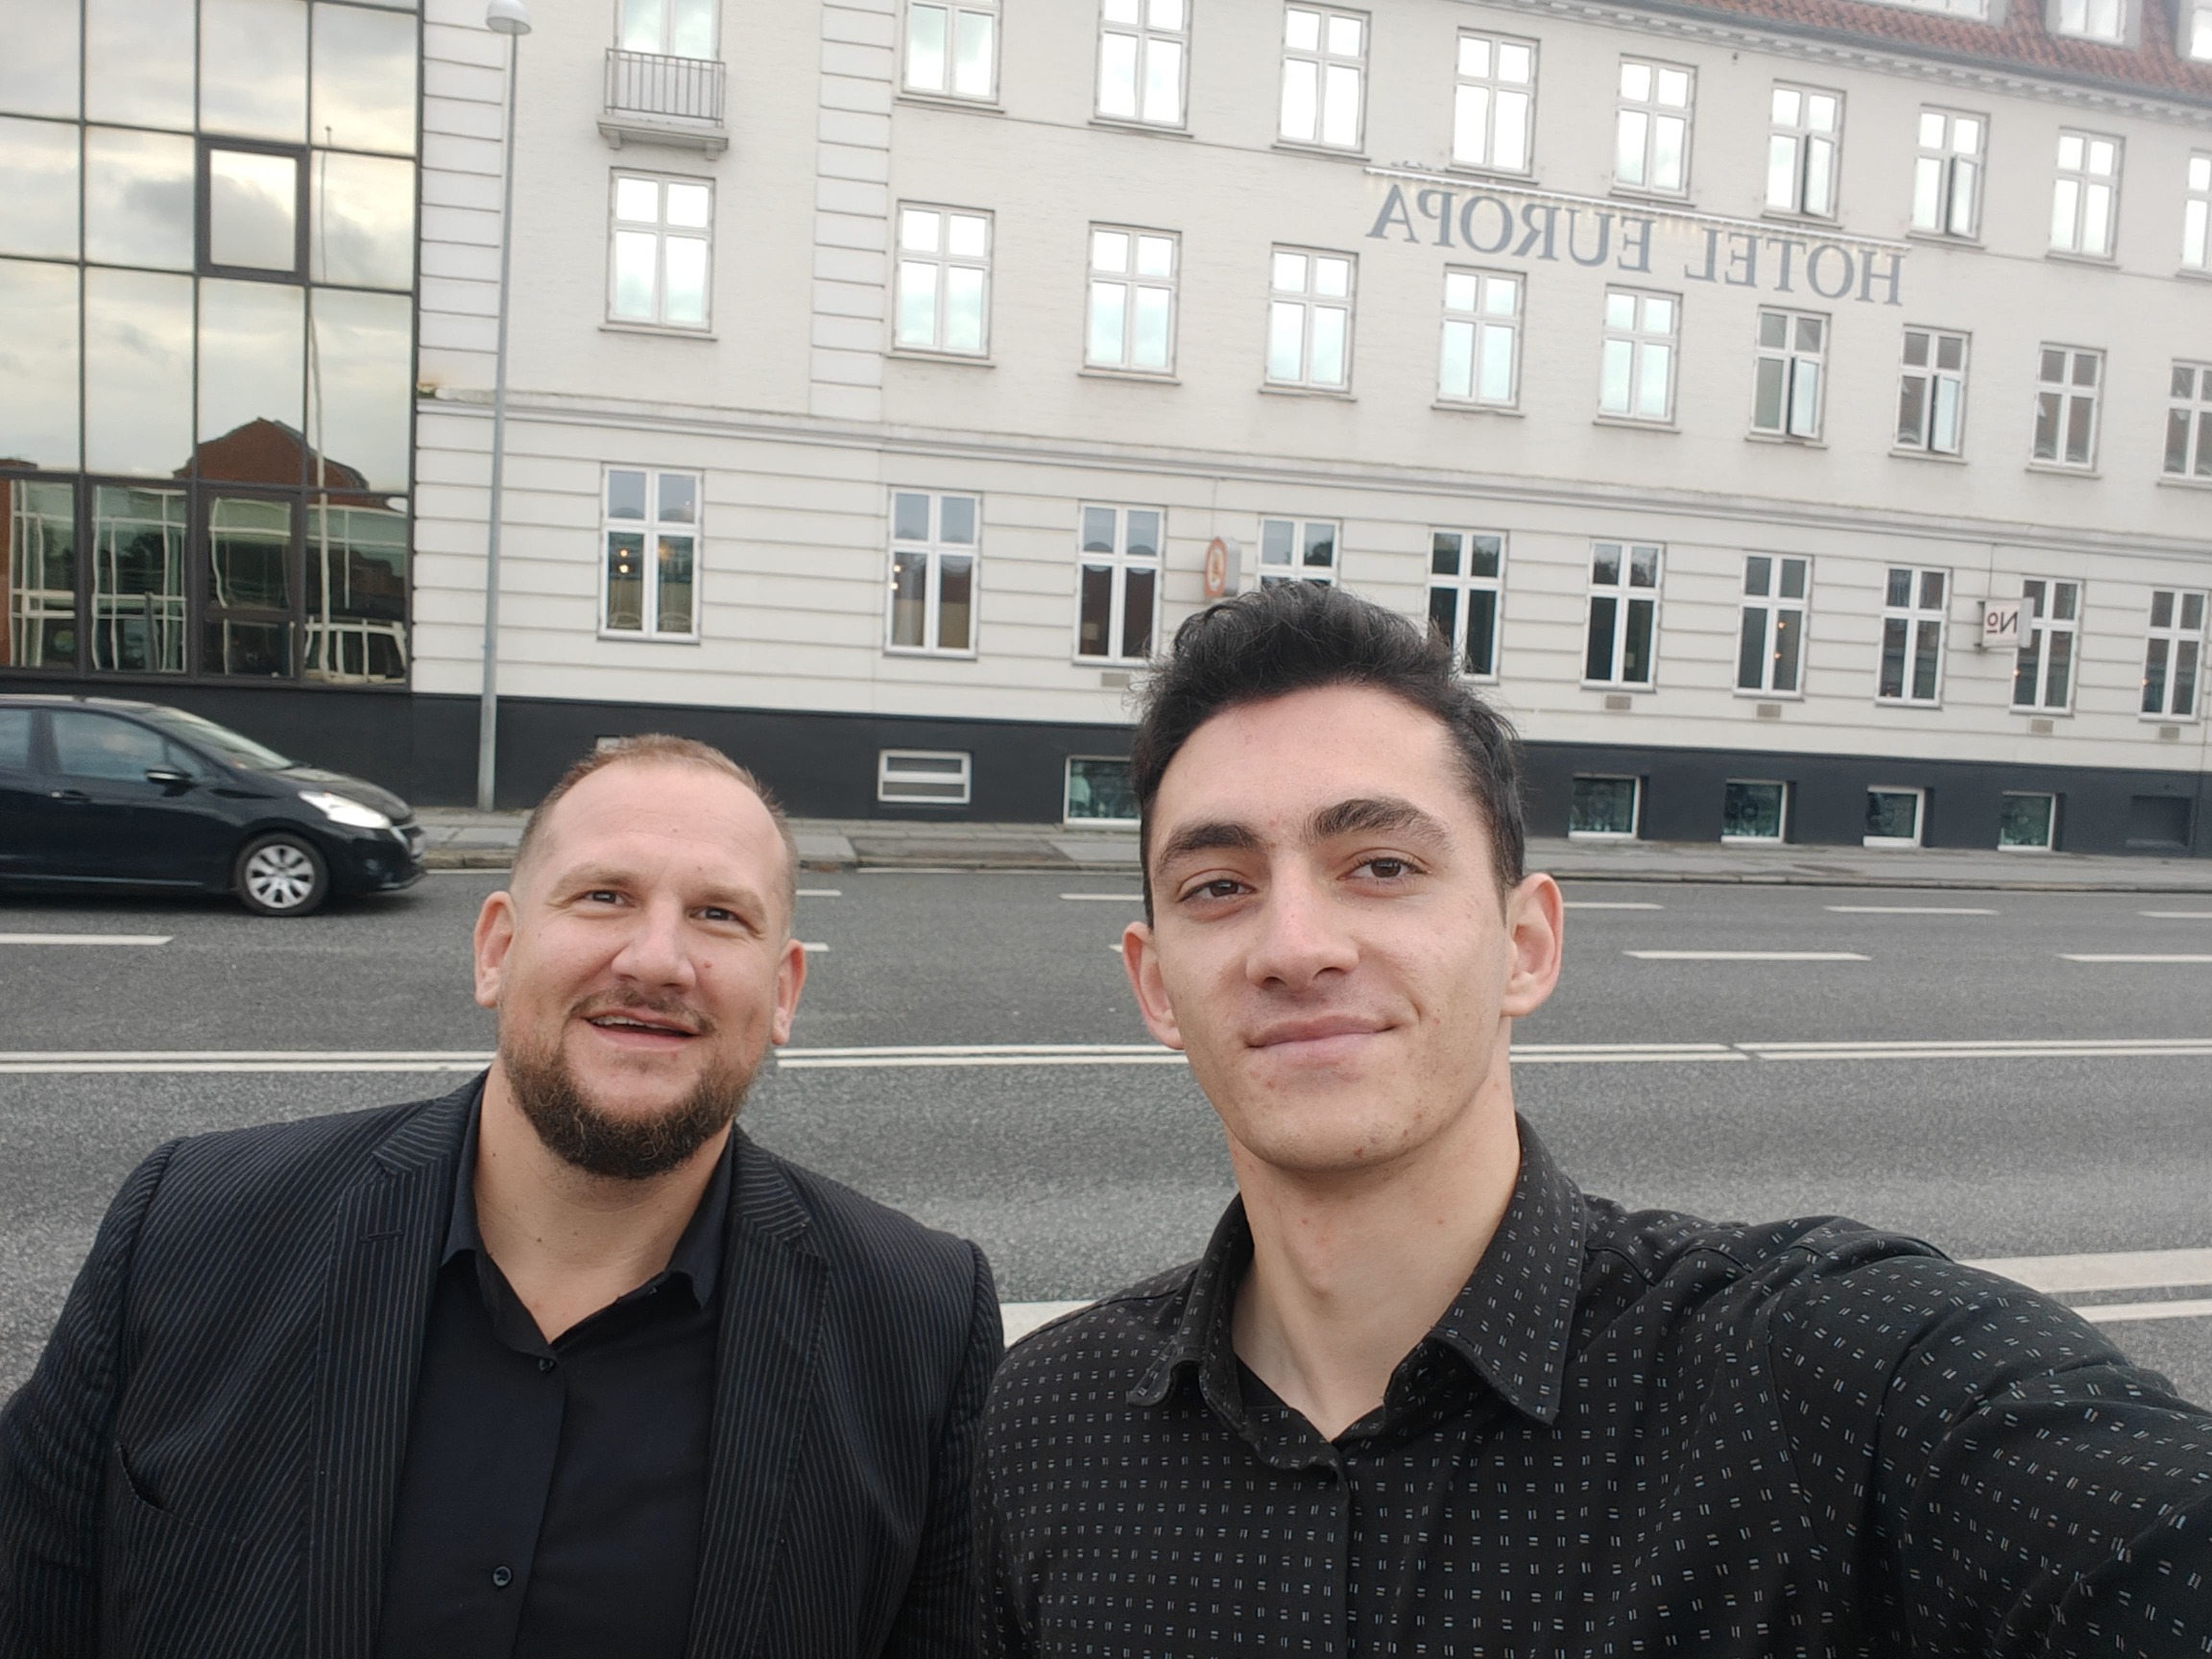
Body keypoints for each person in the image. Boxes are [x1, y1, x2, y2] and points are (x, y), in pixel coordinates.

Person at [979, 584, 2212, 1656]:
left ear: (1525, 945)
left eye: (1382, 866)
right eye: (1218, 887)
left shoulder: (1829, 1383)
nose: (1295, 945)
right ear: (1154, 984)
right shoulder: (1045, 1428)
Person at [0, 734, 1000, 1658]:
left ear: (783, 992)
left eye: (718, 914)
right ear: (494, 949)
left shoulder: (918, 1324)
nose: (656, 960)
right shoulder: (191, 1228)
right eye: (603, 896)